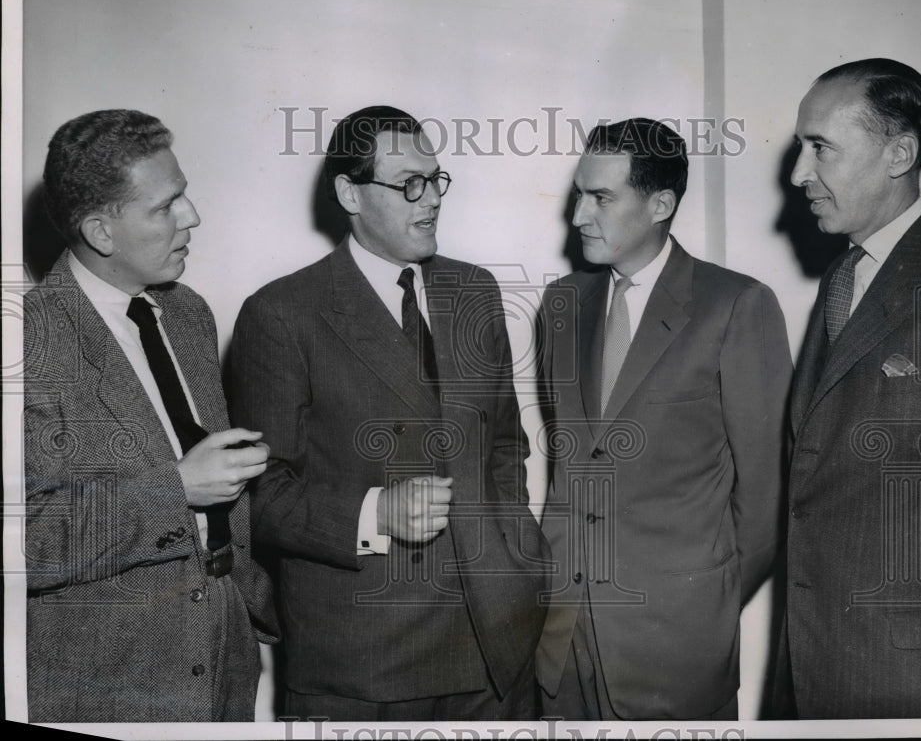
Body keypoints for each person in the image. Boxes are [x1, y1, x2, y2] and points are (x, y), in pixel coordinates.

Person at [228, 105, 549, 721]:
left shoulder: (474, 289)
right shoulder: (282, 313)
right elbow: (260, 497)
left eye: (435, 180)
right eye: (408, 184)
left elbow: (506, 445)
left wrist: (517, 559)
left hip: (497, 648)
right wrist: (377, 513)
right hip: (364, 664)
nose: (429, 201)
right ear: (350, 192)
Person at [23, 109, 278, 722]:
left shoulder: (187, 313)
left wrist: (247, 602)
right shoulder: (26, 340)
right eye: (166, 206)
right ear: (101, 232)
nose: (192, 216)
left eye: (184, 194)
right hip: (109, 681)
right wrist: (177, 489)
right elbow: (22, 541)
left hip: (224, 653)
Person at [534, 117, 792, 720]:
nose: (578, 215)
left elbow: (765, 499)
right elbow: (568, 469)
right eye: (579, 193)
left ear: (660, 203)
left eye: (601, 197)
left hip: (673, 644)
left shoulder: (736, 305)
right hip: (560, 634)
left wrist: (702, 602)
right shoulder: (561, 303)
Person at [780, 58, 921, 718]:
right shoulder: (840, 282)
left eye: (821, 148)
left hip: (914, 680)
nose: (800, 174)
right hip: (813, 662)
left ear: (900, 153)